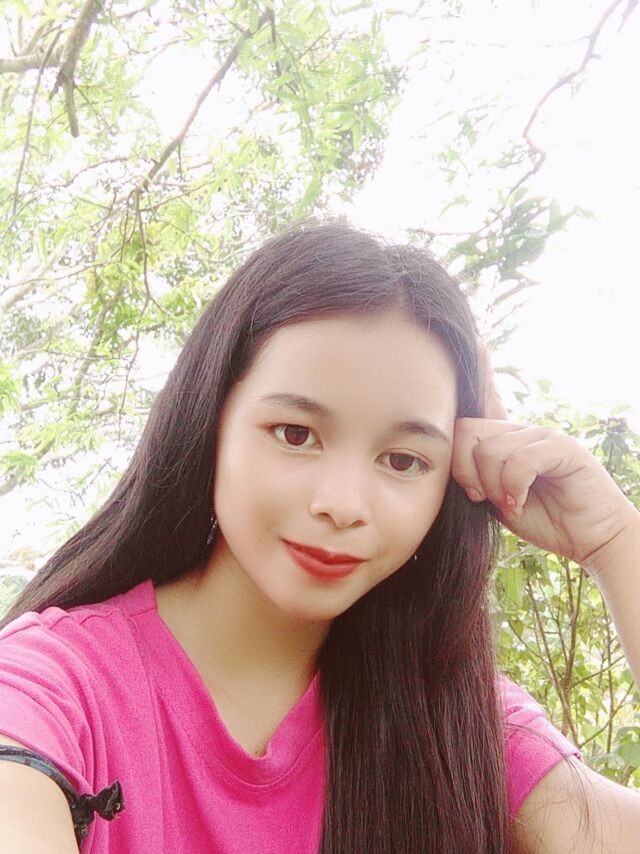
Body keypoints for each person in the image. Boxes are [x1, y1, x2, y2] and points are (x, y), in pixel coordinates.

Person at [0, 220, 638, 853]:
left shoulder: (458, 726)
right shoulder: (52, 690)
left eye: (403, 460)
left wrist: (613, 540)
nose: (343, 505)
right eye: (296, 434)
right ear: (210, 418)